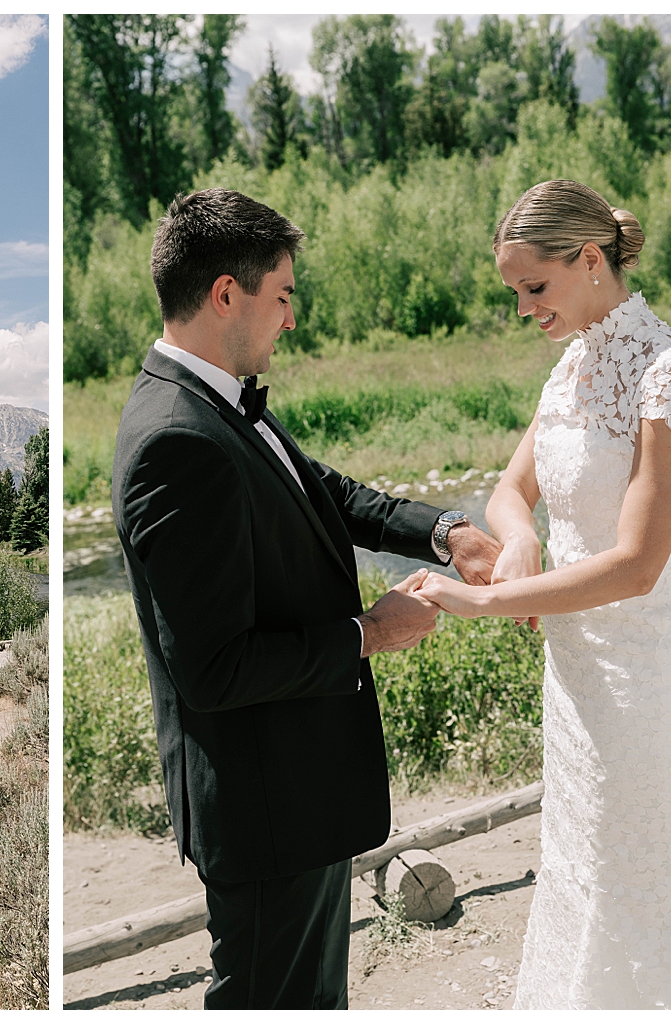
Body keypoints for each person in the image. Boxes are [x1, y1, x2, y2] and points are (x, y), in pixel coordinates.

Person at [110, 188, 503, 1010]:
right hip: (266, 814)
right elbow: (213, 671)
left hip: (293, 797)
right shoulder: (175, 442)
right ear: (227, 294)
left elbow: (316, 489)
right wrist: (367, 632)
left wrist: (444, 532)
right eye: (283, 295)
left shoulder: (214, 402)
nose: (292, 317)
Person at [412, 179, 671, 1010]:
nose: (523, 308)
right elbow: (511, 491)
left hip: (648, 685)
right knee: (582, 880)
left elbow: (636, 565)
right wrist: (519, 539)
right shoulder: (571, 367)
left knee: (645, 893)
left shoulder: (670, 374)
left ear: (591, 260)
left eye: (534, 288)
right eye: (515, 292)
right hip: (577, 682)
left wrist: (489, 601)